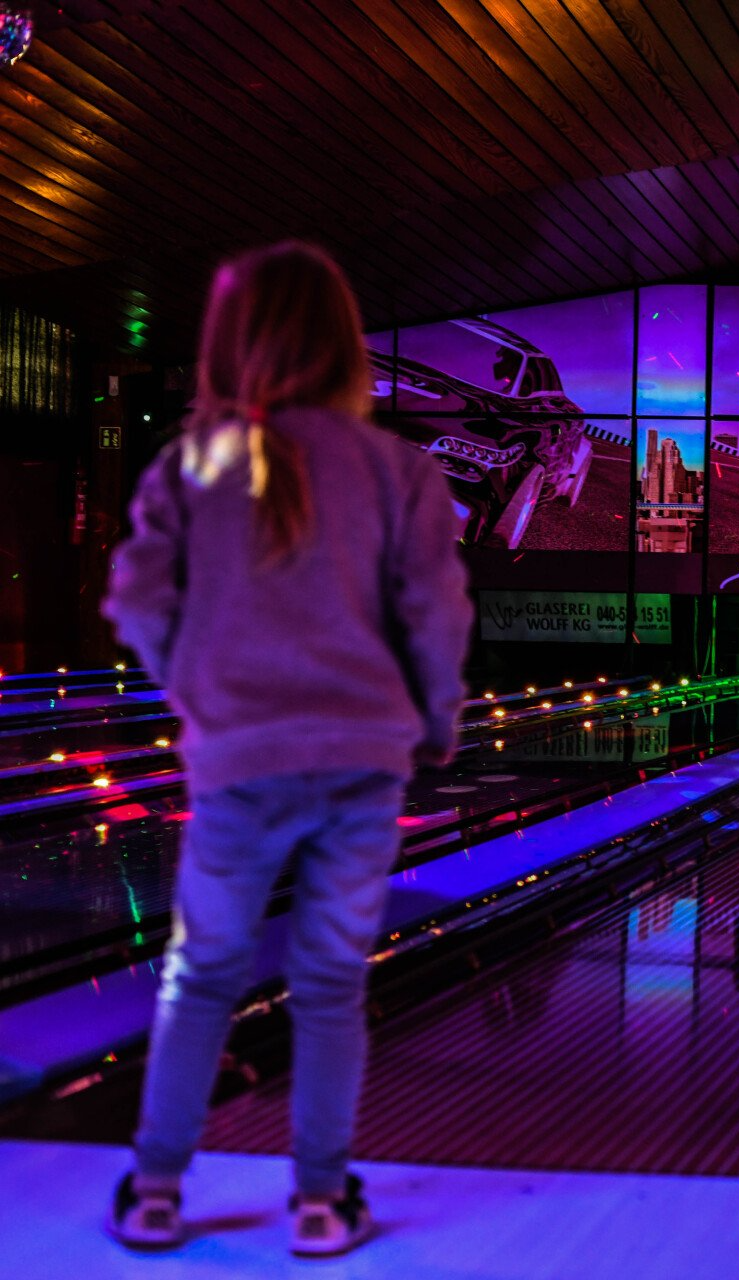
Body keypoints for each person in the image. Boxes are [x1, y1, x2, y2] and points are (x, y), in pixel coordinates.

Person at [101, 242, 472, 1257]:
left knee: (203, 970)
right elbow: (433, 614)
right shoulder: (398, 465)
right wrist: (435, 718)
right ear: (342, 345)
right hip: (362, 757)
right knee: (328, 978)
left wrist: (195, 686)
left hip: (238, 759)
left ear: (233, 342)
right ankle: (317, 1201)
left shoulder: (205, 459)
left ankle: (156, 1190)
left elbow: (134, 595)